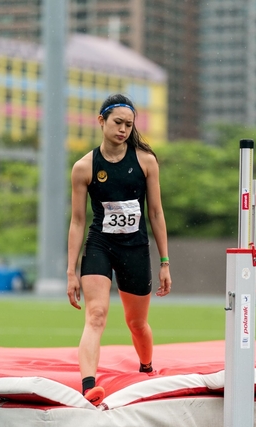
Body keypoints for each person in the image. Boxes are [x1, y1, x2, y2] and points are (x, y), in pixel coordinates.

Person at [66, 94, 172, 406]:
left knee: (136, 323)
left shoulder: (145, 161)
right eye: (117, 123)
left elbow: (155, 214)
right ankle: (89, 386)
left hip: (135, 248)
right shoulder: (84, 167)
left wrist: (165, 262)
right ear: (101, 121)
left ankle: (146, 366)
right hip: (101, 244)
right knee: (96, 314)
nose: (123, 129)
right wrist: (71, 271)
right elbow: (76, 221)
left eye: (129, 124)